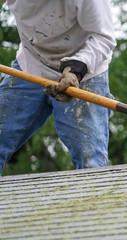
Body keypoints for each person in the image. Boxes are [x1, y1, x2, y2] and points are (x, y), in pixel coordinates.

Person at [0, 0, 117, 175]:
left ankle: (95, 201)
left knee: (90, 162)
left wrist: (76, 70)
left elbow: (104, 38)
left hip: (84, 72)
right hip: (31, 64)